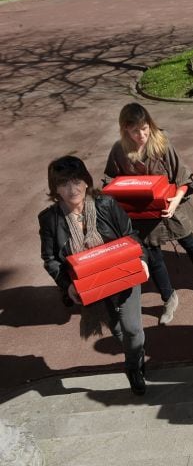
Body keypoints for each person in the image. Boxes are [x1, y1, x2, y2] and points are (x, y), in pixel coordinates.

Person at [39, 156, 149, 395]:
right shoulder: (50, 219)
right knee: (118, 329)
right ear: (55, 189)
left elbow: (131, 235)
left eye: (77, 181)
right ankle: (135, 354)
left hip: (123, 272)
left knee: (131, 328)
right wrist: (67, 285)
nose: (73, 189)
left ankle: (133, 366)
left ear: (86, 181)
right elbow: (51, 259)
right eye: (64, 184)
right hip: (90, 285)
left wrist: (141, 260)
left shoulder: (106, 205)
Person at [104, 103, 193, 325]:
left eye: (145, 128)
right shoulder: (119, 151)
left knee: (189, 242)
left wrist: (175, 202)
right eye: (135, 131)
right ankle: (168, 297)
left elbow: (183, 177)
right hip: (142, 215)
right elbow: (110, 181)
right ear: (125, 130)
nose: (141, 135)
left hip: (172, 208)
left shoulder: (162, 145)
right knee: (153, 257)